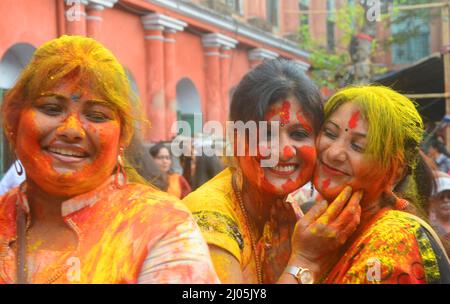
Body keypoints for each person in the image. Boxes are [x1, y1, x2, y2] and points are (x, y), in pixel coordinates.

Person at [0, 35, 219, 284]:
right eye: (51, 109)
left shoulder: (160, 227)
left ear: (122, 137)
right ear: (13, 121)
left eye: (95, 115)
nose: (71, 129)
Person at [183, 59, 363, 284]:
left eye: (298, 134)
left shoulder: (284, 210)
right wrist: (304, 261)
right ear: (236, 138)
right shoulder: (208, 220)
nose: (284, 151)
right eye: (266, 134)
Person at [311, 86, 450, 283]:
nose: (334, 153)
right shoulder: (327, 228)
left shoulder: (392, 241)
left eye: (358, 146)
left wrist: (302, 262)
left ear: (395, 172)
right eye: (330, 133)